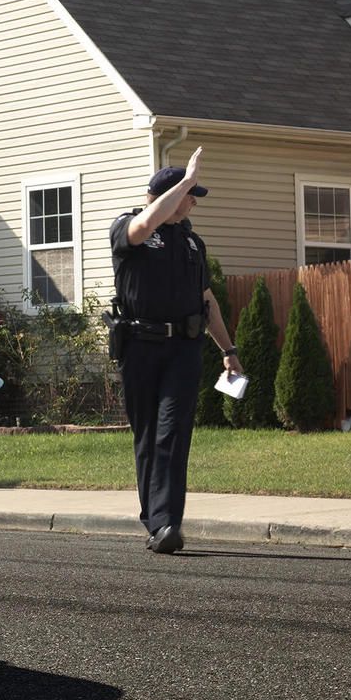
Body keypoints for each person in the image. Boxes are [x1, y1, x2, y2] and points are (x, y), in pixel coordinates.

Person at [108, 151, 241, 556]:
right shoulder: (129, 227)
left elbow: (206, 300)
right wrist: (183, 181)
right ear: (168, 194)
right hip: (139, 345)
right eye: (189, 194)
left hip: (183, 348)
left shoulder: (191, 242)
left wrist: (229, 349)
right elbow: (147, 222)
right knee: (148, 435)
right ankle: (154, 522)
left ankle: (168, 523)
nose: (194, 201)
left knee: (173, 432)